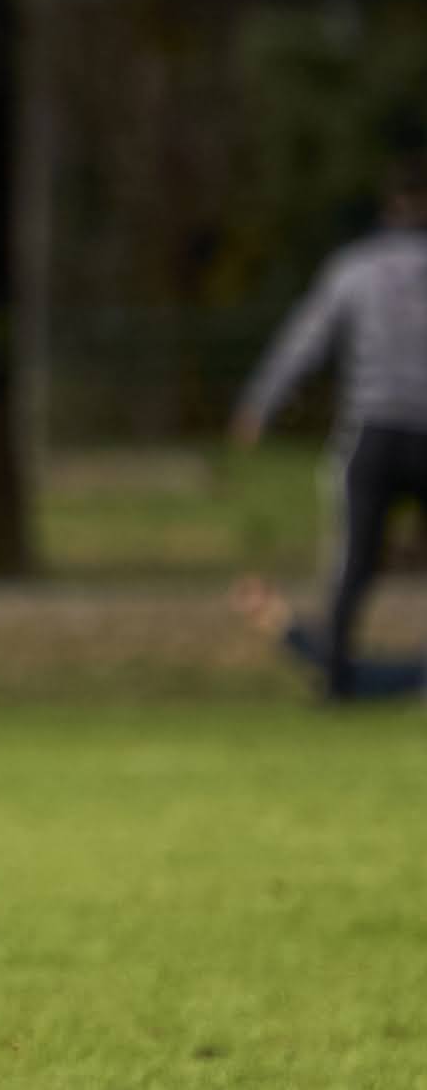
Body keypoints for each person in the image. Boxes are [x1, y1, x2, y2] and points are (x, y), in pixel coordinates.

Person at [226, 163, 427, 702]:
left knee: (354, 563)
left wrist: (260, 403)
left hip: (375, 433)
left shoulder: (355, 270)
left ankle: (336, 680)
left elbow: (305, 340)